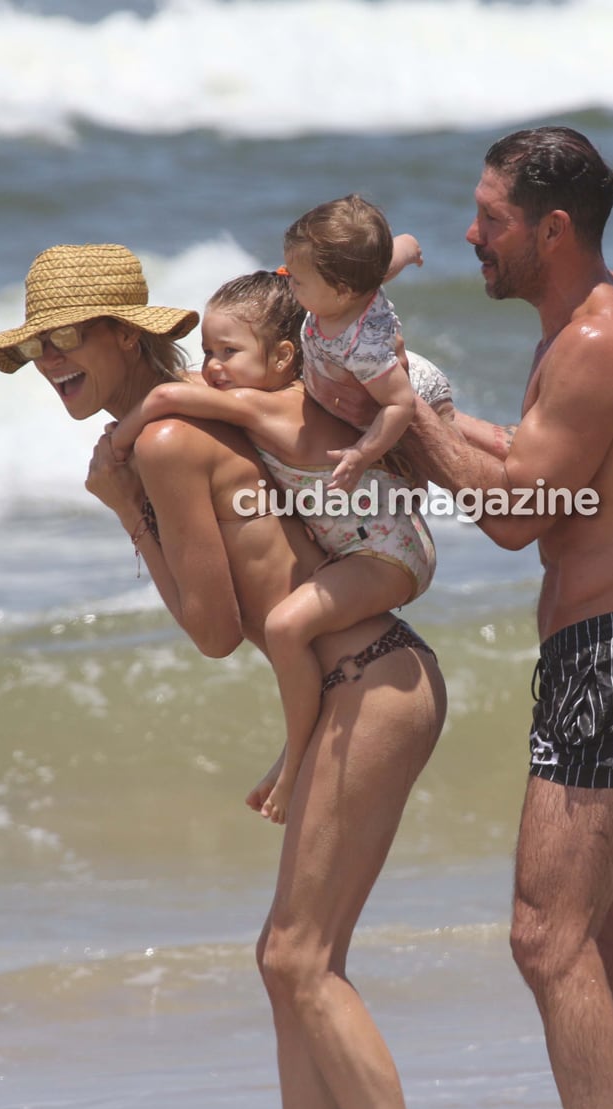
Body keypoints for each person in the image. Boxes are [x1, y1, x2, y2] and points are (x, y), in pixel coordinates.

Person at [303, 127, 613, 1109]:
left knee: (545, 937)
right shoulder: (604, 319)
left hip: (612, 658)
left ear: (553, 228)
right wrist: (427, 415)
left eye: (491, 218)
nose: (469, 234)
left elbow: (508, 514)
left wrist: (405, 408)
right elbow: (538, 463)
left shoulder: (593, 342)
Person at [0, 243, 446, 1109]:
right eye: (36, 347)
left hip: (366, 679)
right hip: (374, 670)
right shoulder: (219, 396)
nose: (49, 362)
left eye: (67, 337)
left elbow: (214, 630)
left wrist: (125, 509)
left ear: (123, 334)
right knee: (298, 965)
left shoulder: (162, 440)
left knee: (295, 957)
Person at [107, 268, 437, 824]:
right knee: (289, 630)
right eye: (207, 351)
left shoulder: (271, 406)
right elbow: (189, 385)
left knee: (286, 627)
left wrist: (115, 451)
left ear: (284, 358)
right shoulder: (273, 394)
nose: (212, 368)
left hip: (386, 555)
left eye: (227, 352)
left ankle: (293, 761)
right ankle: (294, 748)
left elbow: (167, 392)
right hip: (369, 546)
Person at [281, 194, 455, 491]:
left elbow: (400, 404)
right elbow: (392, 258)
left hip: (418, 389)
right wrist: (410, 247)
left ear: (341, 291)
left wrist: (362, 454)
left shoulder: (363, 348)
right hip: (384, 373)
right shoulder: (358, 279)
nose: (288, 282)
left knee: (425, 463)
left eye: (297, 279)